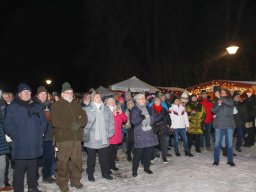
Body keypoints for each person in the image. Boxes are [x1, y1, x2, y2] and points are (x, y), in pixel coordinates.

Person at [4, 83, 47, 192]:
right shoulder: (13, 107)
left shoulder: (36, 106)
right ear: (19, 94)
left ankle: (33, 188)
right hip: (20, 145)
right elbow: (7, 124)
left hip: (34, 144)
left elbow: (43, 122)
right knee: (19, 170)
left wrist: (40, 132)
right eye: (25, 92)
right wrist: (16, 136)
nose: (27, 94)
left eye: (29, 92)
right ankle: (19, 189)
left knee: (33, 169)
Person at [51, 82, 88, 192]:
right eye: (67, 93)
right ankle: (62, 183)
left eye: (71, 93)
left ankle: (75, 180)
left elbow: (84, 117)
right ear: (62, 94)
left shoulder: (76, 104)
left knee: (77, 161)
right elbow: (55, 122)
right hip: (63, 139)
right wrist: (71, 125)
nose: (70, 94)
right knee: (63, 162)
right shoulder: (56, 105)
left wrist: (79, 124)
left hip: (76, 139)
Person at [83, 92, 114, 182]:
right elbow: (83, 123)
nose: (99, 98)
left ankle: (105, 173)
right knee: (91, 158)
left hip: (104, 137)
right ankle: (90, 174)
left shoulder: (106, 109)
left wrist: (110, 132)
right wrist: (87, 131)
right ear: (92, 98)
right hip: (92, 137)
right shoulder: (86, 109)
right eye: (96, 97)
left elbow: (111, 122)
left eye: (100, 97)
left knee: (104, 157)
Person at [130, 93, 161, 177]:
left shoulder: (148, 108)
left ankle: (147, 168)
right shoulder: (135, 109)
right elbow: (134, 122)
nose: (143, 100)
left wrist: (160, 115)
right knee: (138, 153)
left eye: (143, 98)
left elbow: (153, 120)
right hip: (140, 133)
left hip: (149, 132)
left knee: (149, 152)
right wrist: (141, 117)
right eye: (140, 99)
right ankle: (134, 170)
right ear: (137, 100)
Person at [35, 86, 56, 183]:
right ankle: (34, 176)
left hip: (49, 135)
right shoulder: (33, 105)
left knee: (49, 157)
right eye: (41, 94)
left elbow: (55, 119)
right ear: (37, 95)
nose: (43, 96)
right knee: (36, 158)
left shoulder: (51, 105)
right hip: (37, 136)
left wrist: (51, 117)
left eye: (45, 94)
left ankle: (46, 175)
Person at [212, 89, 236, 167]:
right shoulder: (217, 101)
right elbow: (213, 110)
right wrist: (218, 104)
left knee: (229, 144)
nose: (221, 93)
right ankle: (216, 160)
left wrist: (220, 98)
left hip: (229, 124)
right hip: (219, 124)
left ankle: (230, 160)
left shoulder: (230, 100)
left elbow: (229, 104)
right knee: (217, 144)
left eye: (223, 92)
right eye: (220, 92)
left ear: (227, 93)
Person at [106, 97, 127, 171]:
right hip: (110, 135)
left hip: (117, 134)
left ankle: (112, 165)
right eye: (110, 101)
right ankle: (107, 166)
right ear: (107, 103)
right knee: (109, 152)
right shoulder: (106, 110)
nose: (112, 102)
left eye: (113, 101)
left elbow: (124, 119)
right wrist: (113, 114)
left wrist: (120, 113)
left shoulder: (118, 109)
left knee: (114, 152)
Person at [151, 97, 172, 163]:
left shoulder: (164, 109)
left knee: (164, 144)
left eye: (159, 101)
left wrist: (168, 124)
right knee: (155, 144)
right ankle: (155, 155)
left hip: (164, 128)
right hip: (155, 129)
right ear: (154, 102)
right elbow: (151, 120)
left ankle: (164, 157)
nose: (158, 102)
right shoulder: (151, 110)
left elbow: (168, 118)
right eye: (156, 101)